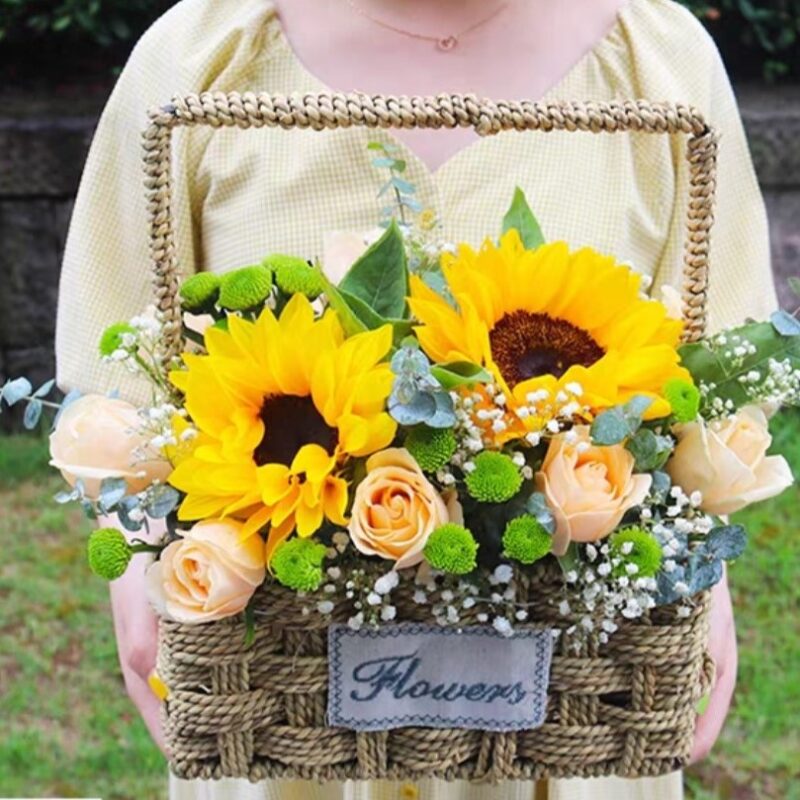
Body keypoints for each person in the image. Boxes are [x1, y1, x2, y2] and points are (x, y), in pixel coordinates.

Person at [55, 0, 775, 798]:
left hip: (572, 728)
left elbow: (718, 383)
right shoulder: (201, 55)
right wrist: (143, 561)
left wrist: (696, 567)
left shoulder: (659, 62)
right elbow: (117, 381)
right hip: (282, 725)